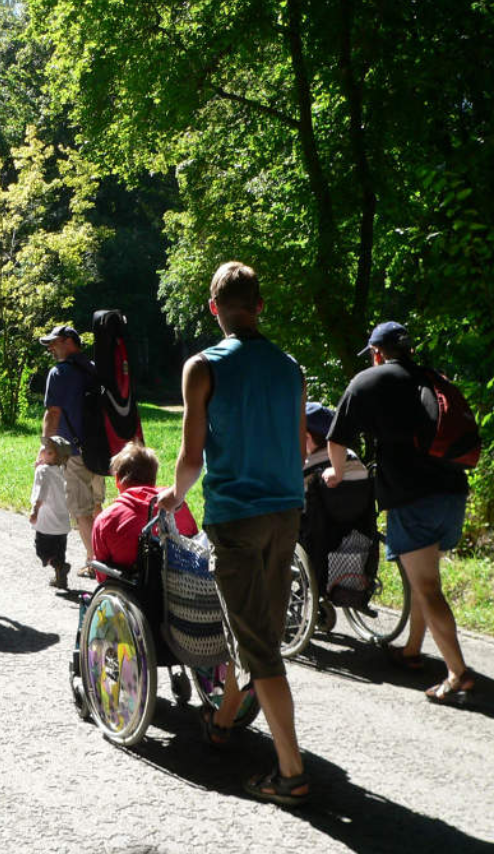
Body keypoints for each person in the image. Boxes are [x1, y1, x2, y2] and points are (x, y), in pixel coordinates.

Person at [158, 261, 309, 807]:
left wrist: (175, 495)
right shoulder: (292, 369)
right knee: (258, 629)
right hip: (287, 513)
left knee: (260, 645)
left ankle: (290, 772)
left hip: (237, 518)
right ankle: (223, 720)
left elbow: (191, 456)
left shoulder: (203, 367)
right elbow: (297, 449)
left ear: (213, 307)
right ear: (260, 306)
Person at [324, 320, 474, 703]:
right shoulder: (430, 377)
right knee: (425, 579)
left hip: (412, 496)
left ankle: (457, 673)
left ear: (377, 353)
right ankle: (411, 650)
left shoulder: (367, 381)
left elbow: (337, 438)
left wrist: (336, 473)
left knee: (426, 586)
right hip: (453, 493)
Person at [92, 442, 245, 743]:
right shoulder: (179, 507)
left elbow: (102, 577)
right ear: (152, 477)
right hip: (182, 608)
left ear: (120, 480)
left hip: (137, 614)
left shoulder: (107, 519)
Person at [39, 324, 106, 578]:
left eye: (53, 343)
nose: (50, 349)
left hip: (74, 451)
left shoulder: (59, 373)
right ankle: (103, 553)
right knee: (96, 504)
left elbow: (52, 413)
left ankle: (94, 561)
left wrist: (46, 448)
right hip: (99, 450)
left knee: (81, 510)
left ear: (68, 341)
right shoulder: (94, 368)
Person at [30, 435, 73, 589]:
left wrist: (35, 510)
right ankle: (60, 578)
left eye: (48, 451)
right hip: (62, 524)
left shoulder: (42, 471)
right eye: (44, 449)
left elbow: (42, 491)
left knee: (42, 552)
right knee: (59, 551)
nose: (43, 451)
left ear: (57, 457)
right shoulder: (62, 469)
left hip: (46, 523)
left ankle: (58, 566)